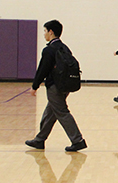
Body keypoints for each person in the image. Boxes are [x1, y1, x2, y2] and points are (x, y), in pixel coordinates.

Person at [26, 20, 87, 152]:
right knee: (50, 112)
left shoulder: (49, 50)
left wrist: (34, 86)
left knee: (61, 112)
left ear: (51, 32)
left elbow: (43, 69)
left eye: (45, 31)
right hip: (65, 85)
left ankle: (78, 140)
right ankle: (40, 140)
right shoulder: (64, 47)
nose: (44, 34)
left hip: (54, 86)